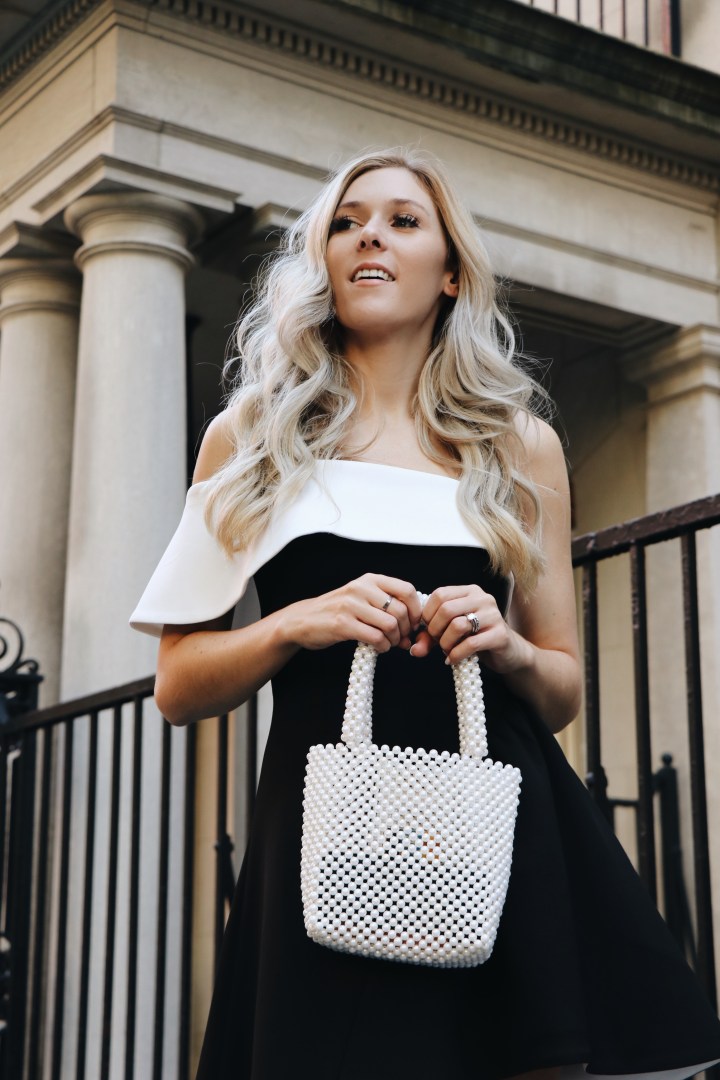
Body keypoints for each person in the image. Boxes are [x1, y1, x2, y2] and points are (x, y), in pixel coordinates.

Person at [131, 149, 720, 1080]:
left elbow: (561, 688)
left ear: (450, 272)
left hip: (499, 823)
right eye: (347, 221)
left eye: (403, 221)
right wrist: (294, 623)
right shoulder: (251, 436)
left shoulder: (520, 445)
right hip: (329, 835)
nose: (369, 235)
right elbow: (176, 687)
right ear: (324, 260)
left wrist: (506, 645)